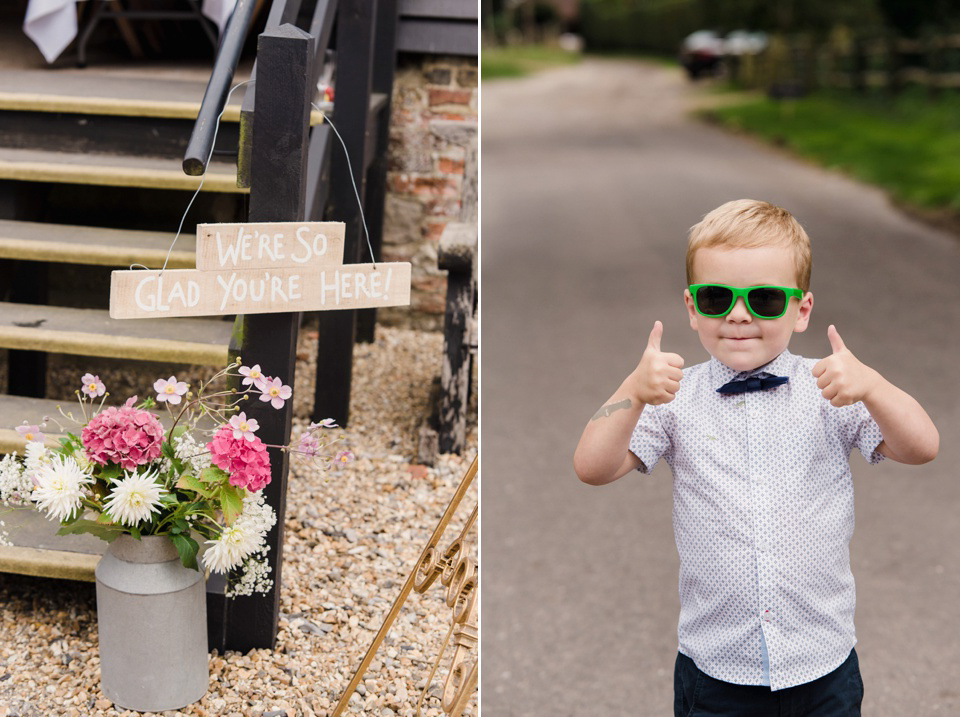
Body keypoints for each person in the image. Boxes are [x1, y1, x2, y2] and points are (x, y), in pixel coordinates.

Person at [573, 199, 938, 716]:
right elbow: (591, 467)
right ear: (693, 307)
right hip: (717, 670)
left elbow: (922, 446)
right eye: (718, 297)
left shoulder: (831, 391)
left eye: (765, 299)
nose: (739, 314)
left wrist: (873, 387)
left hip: (822, 666)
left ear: (801, 310)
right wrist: (633, 389)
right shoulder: (673, 399)